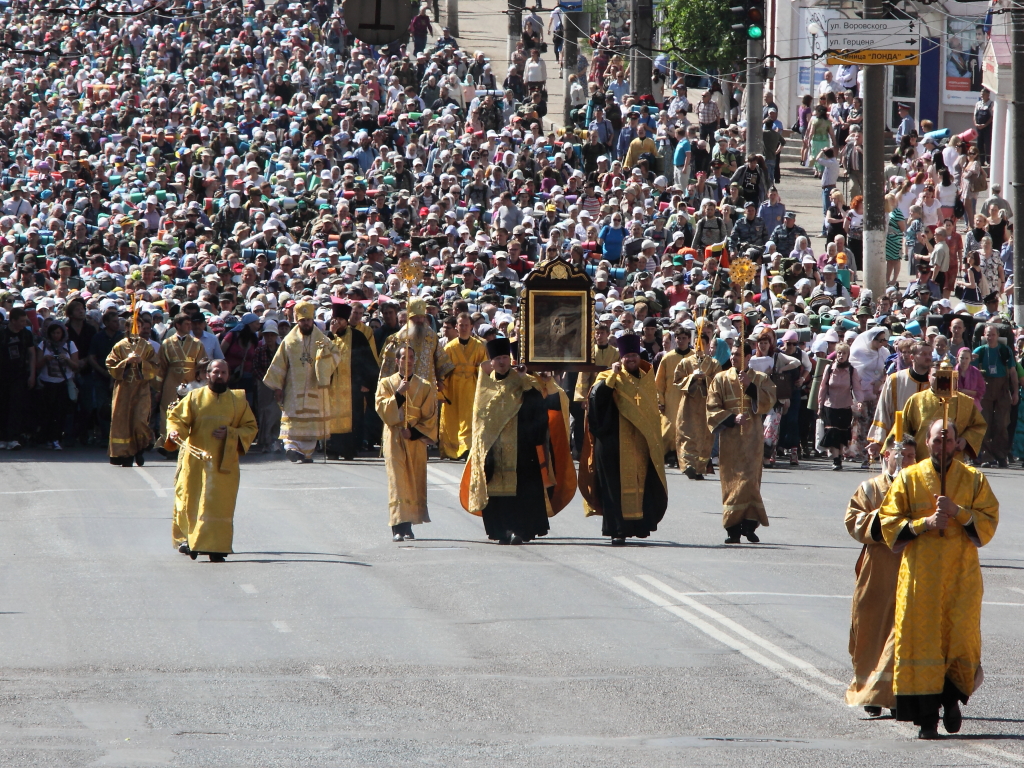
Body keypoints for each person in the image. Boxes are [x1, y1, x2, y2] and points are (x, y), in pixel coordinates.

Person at [879, 420, 999, 739]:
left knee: (960, 639)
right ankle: (927, 718)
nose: (942, 445)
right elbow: (889, 521)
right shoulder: (909, 477)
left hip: (961, 575)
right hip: (921, 575)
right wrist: (924, 523)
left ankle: (952, 699)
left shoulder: (974, 479)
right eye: (936, 439)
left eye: (948, 440)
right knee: (922, 642)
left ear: (957, 444)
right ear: (927, 442)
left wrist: (959, 512)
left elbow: (988, 521)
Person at [459, 337, 576, 544]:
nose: (502, 362)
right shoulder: (485, 384)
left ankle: (519, 529)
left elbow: (540, 407)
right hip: (494, 448)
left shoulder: (524, 380)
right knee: (497, 492)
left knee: (522, 491)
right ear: (491, 361)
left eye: (505, 357)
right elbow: (480, 418)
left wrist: (523, 379)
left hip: (522, 446)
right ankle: (500, 530)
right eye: (498, 358)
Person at [845, 434, 917, 715]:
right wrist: (887, 515)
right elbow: (854, 521)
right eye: (899, 455)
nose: (905, 461)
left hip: (909, 566)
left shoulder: (921, 487)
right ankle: (871, 692)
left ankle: (898, 694)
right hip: (876, 568)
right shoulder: (870, 488)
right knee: (870, 630)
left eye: (911, 456)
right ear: (886, 455)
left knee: (903, 632)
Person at [167, 359, 259, 562]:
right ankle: (192, 541)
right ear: (207, 374)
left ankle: (217, 547)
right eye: (216, 372)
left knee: (219, 506)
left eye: (224, 372)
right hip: (196, 462)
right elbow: (178, 419)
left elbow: (251, 427)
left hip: (223, 465)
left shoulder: (238, 400)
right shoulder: (194, 397)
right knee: (193, 502)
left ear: (228, 375)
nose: (220, 376)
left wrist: (231, 432)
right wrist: (174, 432)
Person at [583, 333, 667, 545]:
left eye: (633, 355)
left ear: (638, 356)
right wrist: (612, 376)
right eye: (626, 356)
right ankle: (617, 530)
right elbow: (596, 400)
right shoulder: (608, 376)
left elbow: (651, 411)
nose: (630, 359)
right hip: (613, 441)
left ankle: (638, 526)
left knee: (641, 484)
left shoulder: (647, 377)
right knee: (614, 487)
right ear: (620, 358)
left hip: (640, 441)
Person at [707, 340, 777, 543]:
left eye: (738, 354)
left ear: (748, 357)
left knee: (750, 482)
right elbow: (711, 407)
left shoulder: (760, 378)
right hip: (730, 440)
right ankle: (732, 530)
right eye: (732, 354)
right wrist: (731, 418)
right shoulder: (720, 378)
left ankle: (749, 526)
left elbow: (770, 400)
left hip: (753, 440)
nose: (733, 357)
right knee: (731, 483)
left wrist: (750, 387)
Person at [262, 301, 337, 463]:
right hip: (293, 390)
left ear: (312, 320)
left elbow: (336, 355)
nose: (306, 323)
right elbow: (279, 365)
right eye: (302, 321)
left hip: (315, 388)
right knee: (292, 421)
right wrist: (277, 387)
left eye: (308, 320)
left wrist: (325, 359)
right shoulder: (289, 341)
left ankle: (307, 453)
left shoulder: (321, 340)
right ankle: (292, 448)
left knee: (311, 424)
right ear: (297, 320)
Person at [377, 345, 439, 542]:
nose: (408, 361)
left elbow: (430, 416)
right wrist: (398, 394)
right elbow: (381, 408)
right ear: (397, 361)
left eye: (412, 357)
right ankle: (397, 525)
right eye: (404, 358)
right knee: (397, 480)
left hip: (414, 440)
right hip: (394, 438)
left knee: (413, 480)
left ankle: (409, 525)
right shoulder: (386, 383)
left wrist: (412, 432)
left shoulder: (426, 386)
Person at [896, 361, 986, 461]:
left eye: (945, 376)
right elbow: (902, 428)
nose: (941, 379)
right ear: (929, 377)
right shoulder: (916, 400)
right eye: (935, 375)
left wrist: (965, 439)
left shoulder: (965, 401)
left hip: (954, 459)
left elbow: (979, 425)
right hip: (921, 459)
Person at [322, 302, 377, 462]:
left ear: (346, 320)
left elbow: (368, 360)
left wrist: (367, 382)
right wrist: (330, 335)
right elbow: (319, 356)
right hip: (331, 387)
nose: (337, 322)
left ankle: (349, 449)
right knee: (331, 417)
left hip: (353, 386)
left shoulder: (357, 336)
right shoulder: (326, 337)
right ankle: (331, 449)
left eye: (340, 319)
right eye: (335, 319)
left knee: (353, 418)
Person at [105, 317, 157, 467]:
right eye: (133, 326)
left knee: (140, 420)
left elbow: (155, 366)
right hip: (124, 390)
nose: (136, 329)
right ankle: (124, 454)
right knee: (123, 421)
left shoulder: (147, 347)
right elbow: (110, 364)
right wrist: (125, 363)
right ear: (127, 328)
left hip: (141, 388)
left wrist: (142, 363)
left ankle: (140, 447)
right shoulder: (120, 346)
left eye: (139, 326)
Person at [673, 319, 721, 480]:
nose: (699, 347)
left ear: (708, 346)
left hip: (706, 405)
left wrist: (705, 379)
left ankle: (700, 467)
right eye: (697, 343)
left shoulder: (714, 364)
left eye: (703, 344)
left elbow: (717, 383)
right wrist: (691, 378)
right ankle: (688, 465)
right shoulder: (685, 362)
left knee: (705, 436)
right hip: (688, 405)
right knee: (687, 434)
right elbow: (677, 381)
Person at [379, 297, 455, 398]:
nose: (419, 320)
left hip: (427, 387)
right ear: (409, 318)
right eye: (416, 317)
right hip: (404, 387)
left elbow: (440, 361)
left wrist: (440, 380)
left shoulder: (431, 337)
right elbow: (388, 367)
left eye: (421, 317)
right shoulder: (397, 339)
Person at [155, 314, 208, 455]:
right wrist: (158, 389)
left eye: (190, 324)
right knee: (169, 411)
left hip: (191, 381)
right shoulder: (166, 343)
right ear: (177, 325)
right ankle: (168, 444)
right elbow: (161, 368)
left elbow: (202, 365)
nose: (189, 326)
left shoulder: (197, 343)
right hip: (171, 381)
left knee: (190, 412)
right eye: (186, 324)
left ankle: (187, 444)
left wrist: (202, 382)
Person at [867, 341, 932, 455]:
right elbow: (883, 410)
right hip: (898, 441)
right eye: (923, 354)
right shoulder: (895, 380)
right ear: (912, 357)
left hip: (927, 446)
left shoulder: (936, 382)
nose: (928, 357)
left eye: (930, 354)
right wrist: (878, 440)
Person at [440, 311, 487, 459]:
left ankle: (468, 448)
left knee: (469, 417)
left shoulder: (479, 346)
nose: (464, 328)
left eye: (467, 325)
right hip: (453, 386)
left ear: (472, 326)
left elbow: (484, 367)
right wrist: (441, 389)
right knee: (452, 417)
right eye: (461, 325)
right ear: (456, 327)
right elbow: (442, 369)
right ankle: (453, 449)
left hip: (471, 386)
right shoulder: (449, 347)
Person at [974, 323, 1019, 467]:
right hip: (985, 389)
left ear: (998, 336)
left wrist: (1015, 392)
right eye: (988, 334)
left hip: (1002, 389)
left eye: (993, 334)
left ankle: (1001, 455)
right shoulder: (979, 351)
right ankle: (987, 457)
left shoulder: (1005, 351)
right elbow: (971, 371)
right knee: (984, 422)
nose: (990, 337)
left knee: (1002, 423)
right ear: (984, 336)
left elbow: (1013, 372)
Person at [818, 342, 861, 471]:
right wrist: (820, 404)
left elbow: (857, 388)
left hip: (845, 405)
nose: (841, 355)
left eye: (844, 353)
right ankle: (836, 459)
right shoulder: (829, 368)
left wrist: (859, 401)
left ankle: (839, 456)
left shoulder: (852, 370)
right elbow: (823, 387)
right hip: (830, 405)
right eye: (839, 353)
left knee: (842, 433)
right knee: (832, 432)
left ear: (848, 355)